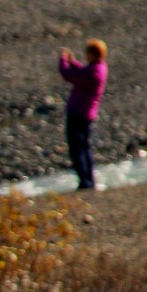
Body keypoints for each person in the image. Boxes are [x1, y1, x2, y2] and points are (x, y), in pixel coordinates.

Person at [58, 39, 109, 191]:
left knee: (77, 149)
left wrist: (63, 61)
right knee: (85, 148)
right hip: (87, 114)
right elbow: (81, 72)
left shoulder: (92, 72)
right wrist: (73, 62)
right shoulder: (99, 68)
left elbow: (69, 75)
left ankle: (85, 182)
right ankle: (89, 180)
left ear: (92, 54)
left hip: (78, 113)